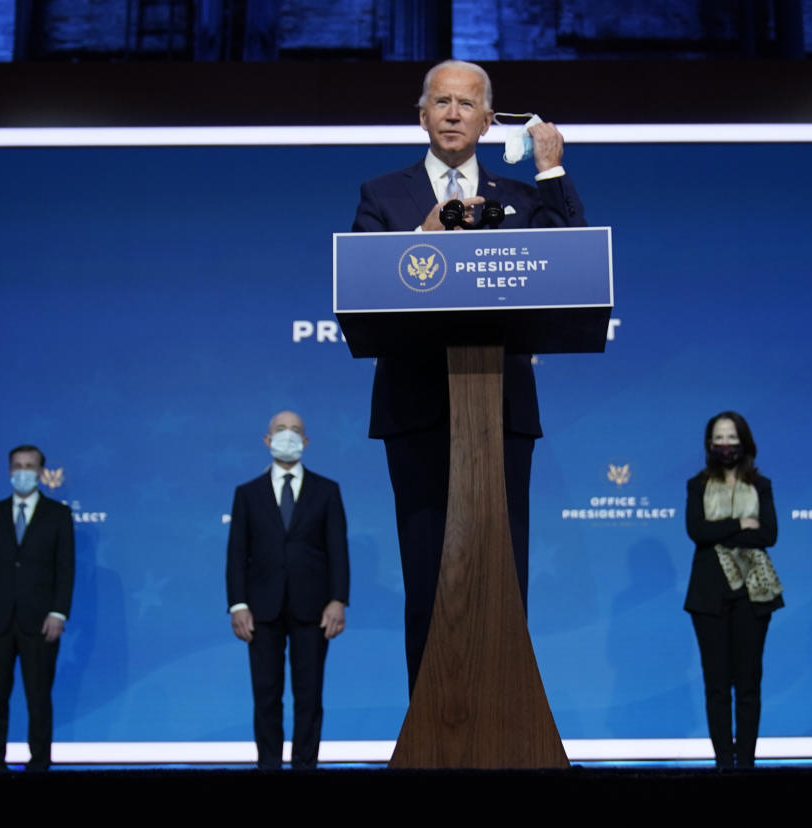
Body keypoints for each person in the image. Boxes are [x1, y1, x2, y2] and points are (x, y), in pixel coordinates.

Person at [352, 59, 586, 693]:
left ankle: (506, 726)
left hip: (501, 409)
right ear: (422, 114)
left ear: (490, 121)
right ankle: (431, 733)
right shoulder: (383, 195)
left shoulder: (520, 197)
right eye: (441, 102)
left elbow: (571, 263)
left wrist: (551, 168)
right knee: (429, 579)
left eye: (467, 104)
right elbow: (363, 290)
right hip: (416, 409)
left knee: (502, 577)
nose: (453, 114)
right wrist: (419, 240)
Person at [226, 410, 349, 770]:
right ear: (267, 440)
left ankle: (305, 768)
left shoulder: (327, 491)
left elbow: (337, 550)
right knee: (266, 695)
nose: (288, 435)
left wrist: (338, 599)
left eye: (296, 430)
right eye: (280, 429)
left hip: (313, 609)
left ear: (306, 442)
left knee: (309, 696)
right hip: (261, 609)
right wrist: (238, 605)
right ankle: (268, 767)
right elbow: (236, 554)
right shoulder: (247, 493)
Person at [684, 412, 783, 768]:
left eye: (732, 438)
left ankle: (746, 765)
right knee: (716, 685)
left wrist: (720, 529)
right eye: (719, 438)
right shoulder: (697, 485)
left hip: (753, 595)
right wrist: (741, 522)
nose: (726, 445)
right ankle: (724, 763)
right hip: (708, 595)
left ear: (744, 442)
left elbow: (768, 534)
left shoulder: (762, 485)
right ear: (709, 444)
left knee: (748, 683)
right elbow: (697, 532)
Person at [0, 444, 74, 771]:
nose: (22, 471)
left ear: (41, 473)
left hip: (40, 622)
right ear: (9, 470)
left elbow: (65, 569)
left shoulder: (58, 515)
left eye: (29, 466)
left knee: (38, 698)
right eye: (17, 465)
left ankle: (39, 764)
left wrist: (58, 613)